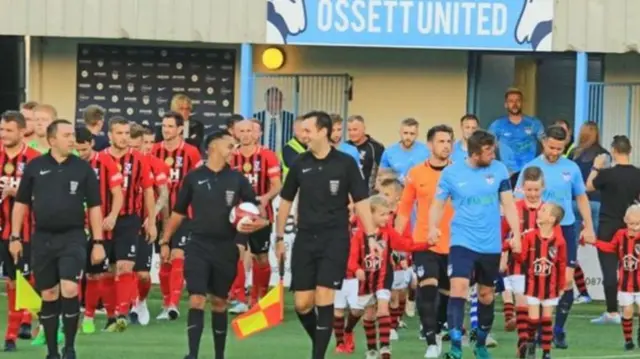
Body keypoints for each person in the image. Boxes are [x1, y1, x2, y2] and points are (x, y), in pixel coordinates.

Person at [274, 110, 381, 359]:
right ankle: (321, 340)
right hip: (304, 238)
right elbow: (286, 201)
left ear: (323, 131)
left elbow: (362, 202)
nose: (304, 135)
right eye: (303, 131)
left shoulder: (345, 163)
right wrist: (279, 238)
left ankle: (318, 355)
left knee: (324, 295)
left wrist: (372, 237)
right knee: (302, 304)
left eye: (308, 130)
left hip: (335, 238)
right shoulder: (300, 163)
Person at [159, 130, 269, 359]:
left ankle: (220, 355)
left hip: (226, 248)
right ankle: (193, 354)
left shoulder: (238, 179)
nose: (234, 151)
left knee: (219, 302)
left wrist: (245, 236)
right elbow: (178, 213)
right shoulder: (193, 177)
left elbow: (257, 215)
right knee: (197, 298)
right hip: (198, 245)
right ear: (213, 147)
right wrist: (165, 240)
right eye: (230, 146)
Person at [10, 119, 105, 359]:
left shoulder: (83, 169)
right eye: (66, 135)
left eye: (72, 135)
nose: (72, 139)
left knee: (70, 288)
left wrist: (98, 242)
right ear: (52, 140)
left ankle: (70, 348)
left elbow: (95, 207)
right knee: (49, 294)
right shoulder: (35, 166)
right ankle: (52, 352)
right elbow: (20, 204)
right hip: (42, 239)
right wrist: (15, 236)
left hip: (73, 237)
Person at [428, 129, 522, 359]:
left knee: (486, 295)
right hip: (462, 240)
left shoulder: (499, 170)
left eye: (493, 150)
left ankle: (479, 343)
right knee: (458, 288)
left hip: (490, 243)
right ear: (474, 153)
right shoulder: (451, 173)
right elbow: (438, 204)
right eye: (488, 151)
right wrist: (432, 227)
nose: (492, 154)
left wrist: (517, 234)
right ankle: (456, 347)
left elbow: (508, 205)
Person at [515, 125, 596, 349]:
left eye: (560, 148)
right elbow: (516, 201)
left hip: (565, 229)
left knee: (565, 281)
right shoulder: (530, 168)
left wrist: (588, 226)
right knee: (539, 280)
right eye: (552, 147)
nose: (555, 152)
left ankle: (557, 330)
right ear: (544, 143)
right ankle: (539, 331)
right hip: (536, 232)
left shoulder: (571, 168)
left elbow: (581, 198)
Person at [396, 124, 455, 358]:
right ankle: (431, 340)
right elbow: (404, 208)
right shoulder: (416, 173)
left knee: (446, 295)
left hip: (454, 243)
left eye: (449, 141)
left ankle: (438, 329)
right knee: (427, 287)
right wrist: (398, 241)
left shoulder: (458, 172)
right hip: (423, 242)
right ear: (430, 145)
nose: (446, 146)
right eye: (441, 141)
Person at [347, 195, 425, 359]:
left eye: (388, 214)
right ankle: (371, 347)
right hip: (366, 282)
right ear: (371, 215)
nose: (387, 218)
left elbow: (405, 245)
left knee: (383, 308)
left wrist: (427, 244)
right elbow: (351, 260)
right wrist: (356, 270)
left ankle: (385, 347)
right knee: (368, 315)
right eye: (382, 214)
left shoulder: (388, 232)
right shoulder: (359, 236)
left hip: (384, 278)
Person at [102, 117, 157, 332]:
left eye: (126, 133)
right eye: (119, 133)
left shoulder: (140, 159)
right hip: (103, 220)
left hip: (129, 219)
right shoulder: (99, 158)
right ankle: (110, 312)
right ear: (110, 135)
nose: (124, 137)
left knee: (126, 266)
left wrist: (151, 221)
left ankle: (122, 314)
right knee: (109, 270)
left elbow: (148, 191)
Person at [151, 111, 202, 320]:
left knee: (178, 255)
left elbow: (198, 181)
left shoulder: (191, 152)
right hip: (159, 213)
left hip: (184, 214)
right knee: (164, 258)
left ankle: (173, 304)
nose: (166, 130)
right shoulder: (154, 151)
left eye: (170, 126)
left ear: (181, 129)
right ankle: (165, 303)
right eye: (164, 126)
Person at [73, 127, 124, 335]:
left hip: (98, 227)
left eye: (83, 149)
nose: (81, 154)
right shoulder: (69, 163)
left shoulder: (106, 162)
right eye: (77, 150)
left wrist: (112, 216)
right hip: (73, 226)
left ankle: (89, 317)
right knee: (72, 275)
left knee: (96, 274)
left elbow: (117, 193)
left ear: (91, 143)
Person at [585, 135, 640, 325]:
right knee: (633, 267)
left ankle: (612, 312)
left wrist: (596, 166)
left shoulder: (607, 174)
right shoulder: (637, 174)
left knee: (609, 270)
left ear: (614, 151)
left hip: (608, 226)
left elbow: (588, 186)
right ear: (629, 151)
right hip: (631, 226)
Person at [228, 119, 282, 313]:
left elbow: (277, 184)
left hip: (261, 215)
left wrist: (265, 198)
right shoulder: (230, 155)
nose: (245, 134)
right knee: (236, 252)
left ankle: (260, 297)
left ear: (256, 133)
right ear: (235, 133)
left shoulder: (267, 156)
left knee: (261, 257)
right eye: (241, 131)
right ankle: (240, 297)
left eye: (249, 130)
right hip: (236, 215)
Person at [0, 111, 41, 352]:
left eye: (9, 130)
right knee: (12, 281)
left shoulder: (36, 160)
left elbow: (46, 196)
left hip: (27, 231)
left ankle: (14, 332)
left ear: (22, 131)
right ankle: (15, 330)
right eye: (2, 130)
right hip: (2, 230)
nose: (3, 135)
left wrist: (20, 194)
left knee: (23, 279)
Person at [509, 203, 567, 359]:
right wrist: (516, 250)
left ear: (551, 219)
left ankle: (547, 352)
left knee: (547, 319)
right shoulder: (529, 236)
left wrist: (562, 285)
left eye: (544, 210)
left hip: (551, 287)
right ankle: (530, 346)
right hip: (533, 285)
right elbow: (522, 259)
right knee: (533, 319)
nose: (539, 212)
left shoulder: (559, 241)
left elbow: (561, 264)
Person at [127, 124, 170, 325]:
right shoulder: (120, 161)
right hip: (124, 223)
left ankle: (141, 301)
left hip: (145, 223)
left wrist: (151, 217)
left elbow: (164, 194)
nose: (147, 147)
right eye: (143, 143)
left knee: (143, 275)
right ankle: (124, 307)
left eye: (151, 142)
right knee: (121, 269)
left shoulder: (157, 164)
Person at [583, 204, 640, 350]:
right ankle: (628, 340)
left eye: (637, 224)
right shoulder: (620, 235)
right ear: (625, 221)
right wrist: (595, 242)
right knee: (627, 311)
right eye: (631, 223)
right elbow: (610, 247)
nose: (634, 227)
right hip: (625, 284)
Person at [499, 166, 545, 347]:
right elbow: (502, 235)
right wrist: (504, 251)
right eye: (529, 190)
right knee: (523, 301)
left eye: (536, 189)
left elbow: (556, 239)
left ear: (543, 188)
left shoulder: (548, 211)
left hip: (540, 265)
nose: (532, 194)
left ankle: (531, 337)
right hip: (517, 264)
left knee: (535, 307)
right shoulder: (515, 209)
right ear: (522, 189)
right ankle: (523, 341)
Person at [568, 122, 608, 306]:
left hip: (574, 201)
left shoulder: (573, 153)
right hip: (597, 202)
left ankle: (583, 292)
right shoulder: (604, 154)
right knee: (605, 248)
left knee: (570, 250)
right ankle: (616, 290)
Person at [488, 88, 544, 187]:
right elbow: (487, 148)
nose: (515, 104)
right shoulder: (497, 125)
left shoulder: (533, 123)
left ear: (522, 103)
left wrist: (541, 166)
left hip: (530, 175)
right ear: (505, 104)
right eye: (511, 101)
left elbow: (546, 144)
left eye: (518, 100)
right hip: (507, 174)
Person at [380, 118, 430, 183]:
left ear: (417, 134)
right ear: (400, 133)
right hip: (397, 191)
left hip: (420, 191)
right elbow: (382, 175)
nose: (408, 137)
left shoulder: (426, 151)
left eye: (412, 134)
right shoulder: (389, 152)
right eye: (405, 133)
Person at [346, 115, 385, 194]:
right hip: (348, 195)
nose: (352, 133)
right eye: (349, 130)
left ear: (364, 128)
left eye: (355, 129)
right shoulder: (345, 146)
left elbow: (382, 172)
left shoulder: (376, 147)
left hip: (368, 195)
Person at [253, 87, 295, 152]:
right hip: (260, 158)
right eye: (275, 99)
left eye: (280, 99)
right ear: (266, 100)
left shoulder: (290, 119)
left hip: (283, 159)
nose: (278, 102)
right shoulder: (256, 118)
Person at [280, 115, 308, 182]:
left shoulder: (308, 146)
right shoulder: (289, 149)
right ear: (296, 130)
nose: (307, 133)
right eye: (305, 130)